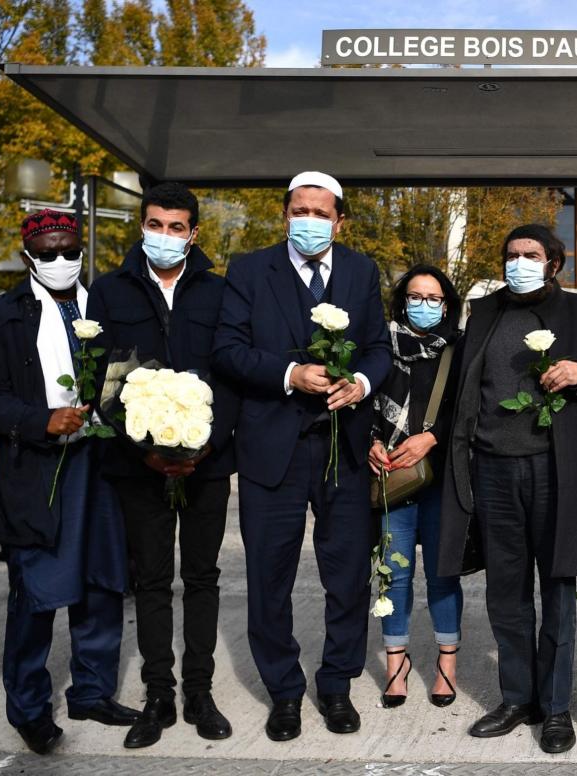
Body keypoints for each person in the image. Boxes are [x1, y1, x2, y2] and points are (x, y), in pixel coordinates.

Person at [212, 171, 392, 742]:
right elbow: (228, 349)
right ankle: (284, 692)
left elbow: (378, 348)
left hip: (343, 449)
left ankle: (335, 684)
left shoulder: (362, 271)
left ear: (340, 221)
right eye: (298, 211)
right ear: (284, 214)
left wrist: (362, 382)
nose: (308, 221)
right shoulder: (248, 270)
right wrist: (289, 374)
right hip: (273, 450)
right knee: (270, 577)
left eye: (320, 213)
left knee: (347, 578)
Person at [438, 224, 577, 754]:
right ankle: (518, 697)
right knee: (506, 594)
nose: (519, 262)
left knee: (558, 591)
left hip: (555, 471)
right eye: (511, 254)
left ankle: (556, 706)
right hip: (493, 470)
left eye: (531, 255)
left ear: (554, 264)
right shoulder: (486, 313)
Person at [0, 210, 138, 756]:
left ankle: (92, 690)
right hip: (37, 470)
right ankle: (29, 707)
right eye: (48, 254)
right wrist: (42, 420)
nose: (61, 261)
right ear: (27, 257)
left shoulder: (105, 306)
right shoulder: (3, 317)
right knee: (37, 594)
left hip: (101, 465)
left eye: (70, 250)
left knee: (101, 581)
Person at [87, 183, 238, 748]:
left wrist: (205, 445)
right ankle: (159, 696)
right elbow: (101, 379)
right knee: (151, 580)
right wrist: (145, 450)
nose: (166, 236)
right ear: (141, 227)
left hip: (208, 463)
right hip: (138, 465)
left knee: (202, 577)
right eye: (156, 224)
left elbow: (231, 375)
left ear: (194, 233)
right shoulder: (109, 291)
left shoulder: (220, 292)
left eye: (177, 227)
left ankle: (200, 692)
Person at [367, 265, 464, 709]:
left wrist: (433, 434)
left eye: (433, 298)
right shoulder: (379, 346)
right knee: (394, 573)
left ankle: (447, 663)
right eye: (415, 296)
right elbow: (363, 403)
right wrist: (370, 441)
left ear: (446, 305)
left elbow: (468, 408)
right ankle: (396, 664)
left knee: (442, 574)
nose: (423, 305)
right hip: (392, 477)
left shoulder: (458, 350)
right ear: (401, 299)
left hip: (441, 478)